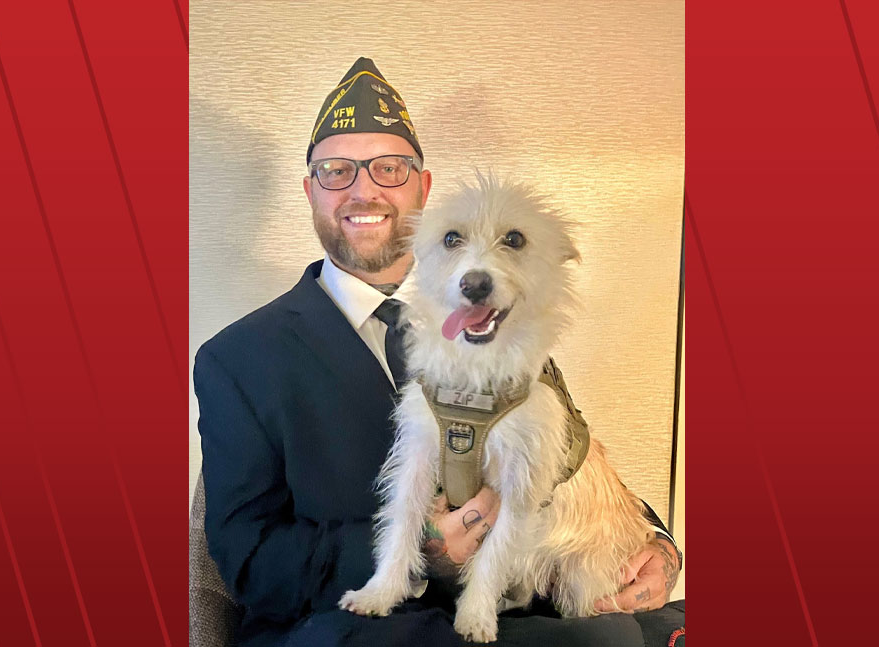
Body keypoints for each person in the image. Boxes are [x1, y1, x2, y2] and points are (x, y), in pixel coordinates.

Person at [194, 57, 685, 647]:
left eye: (390, 168)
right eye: (336, 171)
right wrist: (420, 548)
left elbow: (567, 459)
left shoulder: (503, 318)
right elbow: (246, 563)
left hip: (519, 615)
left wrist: (658, 546)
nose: (364, 188)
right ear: (310, 192)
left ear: (423, 189)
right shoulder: (238, 358)